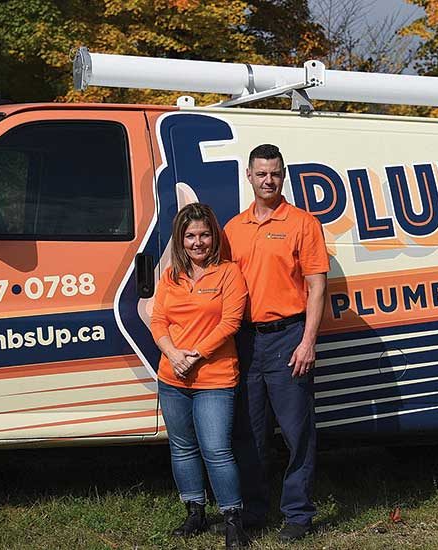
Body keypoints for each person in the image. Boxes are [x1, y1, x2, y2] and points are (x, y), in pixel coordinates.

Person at [224, 144, 329, 542]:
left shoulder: (303, 223)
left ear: (283, 176)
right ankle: (254, 511)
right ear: (249, 177)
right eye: (261, 173)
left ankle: (298, 515)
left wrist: (308, 342)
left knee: (297, 432)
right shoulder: (233, 229)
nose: (268, 180)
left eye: (275, 173)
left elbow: (317, 286)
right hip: (247, 341)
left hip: (289, 338)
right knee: (249, 432)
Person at [151, 203, 250, 548]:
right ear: (180, 239)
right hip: (173, 376)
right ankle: (195, 512)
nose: (198, 242)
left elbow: (230, 323)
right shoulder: (170, 276)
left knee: (216, 449)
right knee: (182, 447)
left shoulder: (229, 273)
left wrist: (195, 355)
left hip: (215, 377)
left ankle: (233, 520)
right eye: (190, 235)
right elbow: (158, 320)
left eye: (204, 235)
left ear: (215, 237)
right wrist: (173, 354)